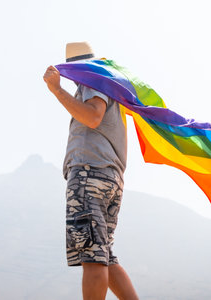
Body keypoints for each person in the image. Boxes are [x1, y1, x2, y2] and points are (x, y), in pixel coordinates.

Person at [43, 42, 139, 300]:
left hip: (89, 174)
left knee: (92, 256)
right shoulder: (108, 88)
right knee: (104, 254)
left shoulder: (92, 82)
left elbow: (93, 117)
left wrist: (56, 90)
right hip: (109, 178)